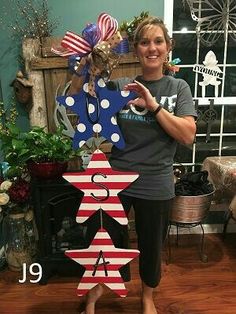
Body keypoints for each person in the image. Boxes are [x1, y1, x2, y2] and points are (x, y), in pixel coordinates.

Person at [69, 16, 197, 314]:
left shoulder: (178, 87)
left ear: (167, 47)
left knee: (151, 247)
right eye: (144, 42)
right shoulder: (122, 86)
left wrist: (153, 105)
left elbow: (187, 135)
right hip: (115, 181)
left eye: (158, 41)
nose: (151, 48)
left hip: (156, 182)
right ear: (136, 49)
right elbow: (75, 101)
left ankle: (148, 296)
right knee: (103, 240)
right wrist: (83, 67)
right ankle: (99, 288)